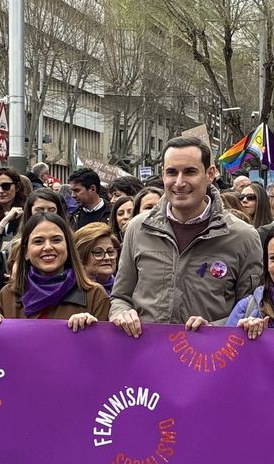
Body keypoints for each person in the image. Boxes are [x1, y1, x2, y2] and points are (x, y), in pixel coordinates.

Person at [110, 137, 262, 335]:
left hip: (210, 358)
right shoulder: (138, 228)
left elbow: (253, 308)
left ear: (210, 174)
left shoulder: (244, 237)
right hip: (147, 357)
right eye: (172, 172)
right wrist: (122, 313)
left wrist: (213, 329)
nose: (179, 182)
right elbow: (120, 296)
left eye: (190, 172)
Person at [0, 212, 110, 326]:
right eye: (38, 241)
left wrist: (90, 328)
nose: (48, 247)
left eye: (56, 240)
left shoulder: (95, 295)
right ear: (26, 251)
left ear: (68, 247)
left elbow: (103, 345)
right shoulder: (7, 296)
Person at [72, 221, 119, 294]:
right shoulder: (72, 292)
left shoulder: (125, 288)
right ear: (81, 258)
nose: (107, 257)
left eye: (110, 252)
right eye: (98, 253)